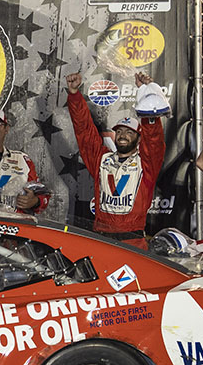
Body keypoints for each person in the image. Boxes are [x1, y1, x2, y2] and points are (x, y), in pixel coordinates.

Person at [64, 72, 165, 249]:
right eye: (119, 131)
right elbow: (84, 131)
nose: (123, 135)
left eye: (129, 132)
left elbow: (154, 139)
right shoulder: (101, 159)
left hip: (133, 242)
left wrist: (147, 94)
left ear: (139, 138)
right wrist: (74, 96)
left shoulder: (146, 164)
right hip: (102, 240)